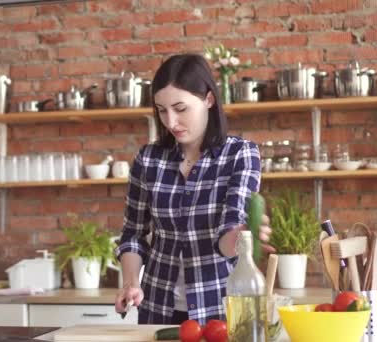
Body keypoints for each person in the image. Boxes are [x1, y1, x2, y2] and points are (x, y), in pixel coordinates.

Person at [114, 54, 274, 325]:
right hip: (158, 308)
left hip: (219, 309)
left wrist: (242, 236)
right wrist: (131, 283)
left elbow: (229, 232)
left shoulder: (240, 154)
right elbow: (133, 235)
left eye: (180, 108)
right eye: (162, 110)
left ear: (208, 100)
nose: (170, 121)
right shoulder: (149, 158)